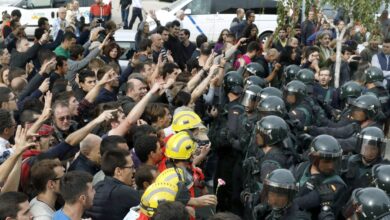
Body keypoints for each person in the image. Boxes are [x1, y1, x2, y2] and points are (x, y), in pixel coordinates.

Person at [292, 135, 347, 219]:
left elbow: (302, 203)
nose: (331, 166)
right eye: (326, 161)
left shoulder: (336, 183)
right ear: (314, 159)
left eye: (334, 161)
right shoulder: (301, 167)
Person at [86, 149, 140, 220]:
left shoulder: (97, 186)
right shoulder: (125, 192)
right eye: (131, 167)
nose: (134, 171)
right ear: (118, 171)